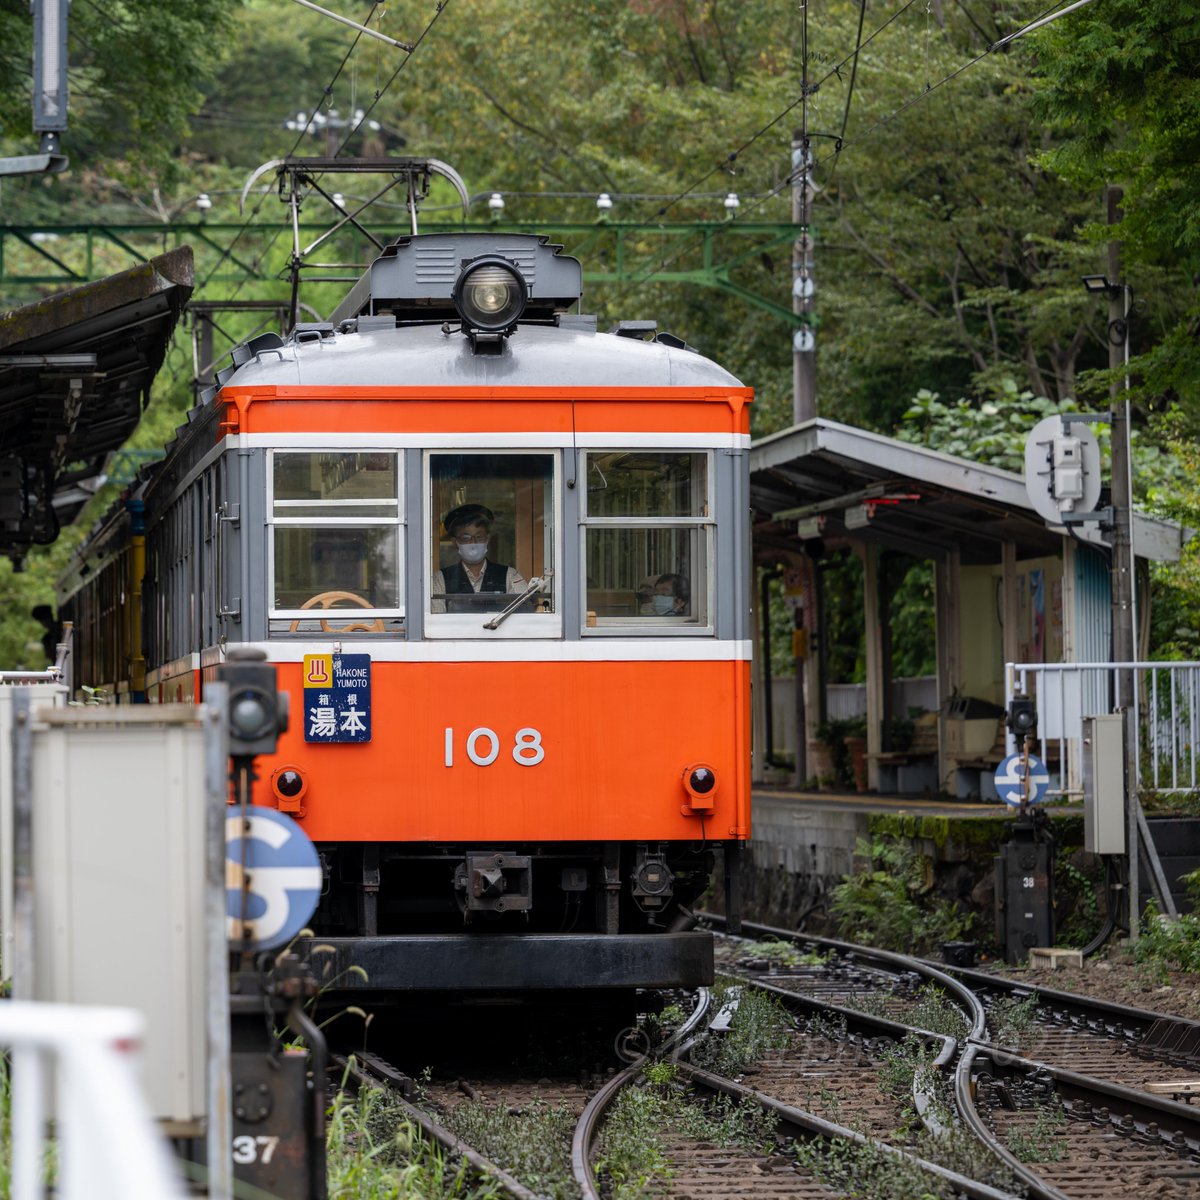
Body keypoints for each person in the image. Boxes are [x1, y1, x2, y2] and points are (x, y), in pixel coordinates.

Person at [431, 503, 526, 613]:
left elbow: (523, 613)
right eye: (466, 538)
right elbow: (437, 622)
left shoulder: (510, 576)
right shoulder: (440, 580)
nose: (473, 542)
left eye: (479, 537)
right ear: (455, 542)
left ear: (487, 539)